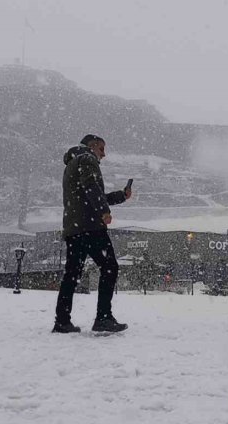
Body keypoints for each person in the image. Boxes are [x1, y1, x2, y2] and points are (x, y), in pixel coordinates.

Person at [53, 134, 132, 334]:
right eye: (102, 149)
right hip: (90, 226)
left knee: (71, 274)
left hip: (74, 228)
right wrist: (104, 211)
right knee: (110, 266)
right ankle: (103, 317)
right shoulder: (87, 159)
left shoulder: (71, 164)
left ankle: (62, 321)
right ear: (92, 146)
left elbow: (90, 193)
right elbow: (91, 188)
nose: (103, 155)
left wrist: (121, 196)